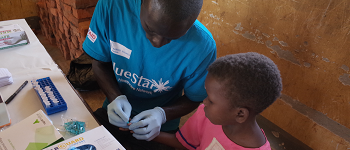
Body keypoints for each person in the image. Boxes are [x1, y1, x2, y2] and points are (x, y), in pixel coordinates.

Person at [82, 0, 217, 149]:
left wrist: (162, 115)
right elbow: (99, 62)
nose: (157, 43)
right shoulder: (112, 7)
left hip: (159, 127)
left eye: (171, 38)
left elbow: (195, 98)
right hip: (115, 113)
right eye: (150, 29)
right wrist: (115, 97)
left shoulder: (203, 47)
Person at [148, 52, 282, 149]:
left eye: (211, 101)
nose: (203, 102)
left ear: (240, 114)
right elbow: (184, 143)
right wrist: (149, 133)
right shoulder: (207, 115)